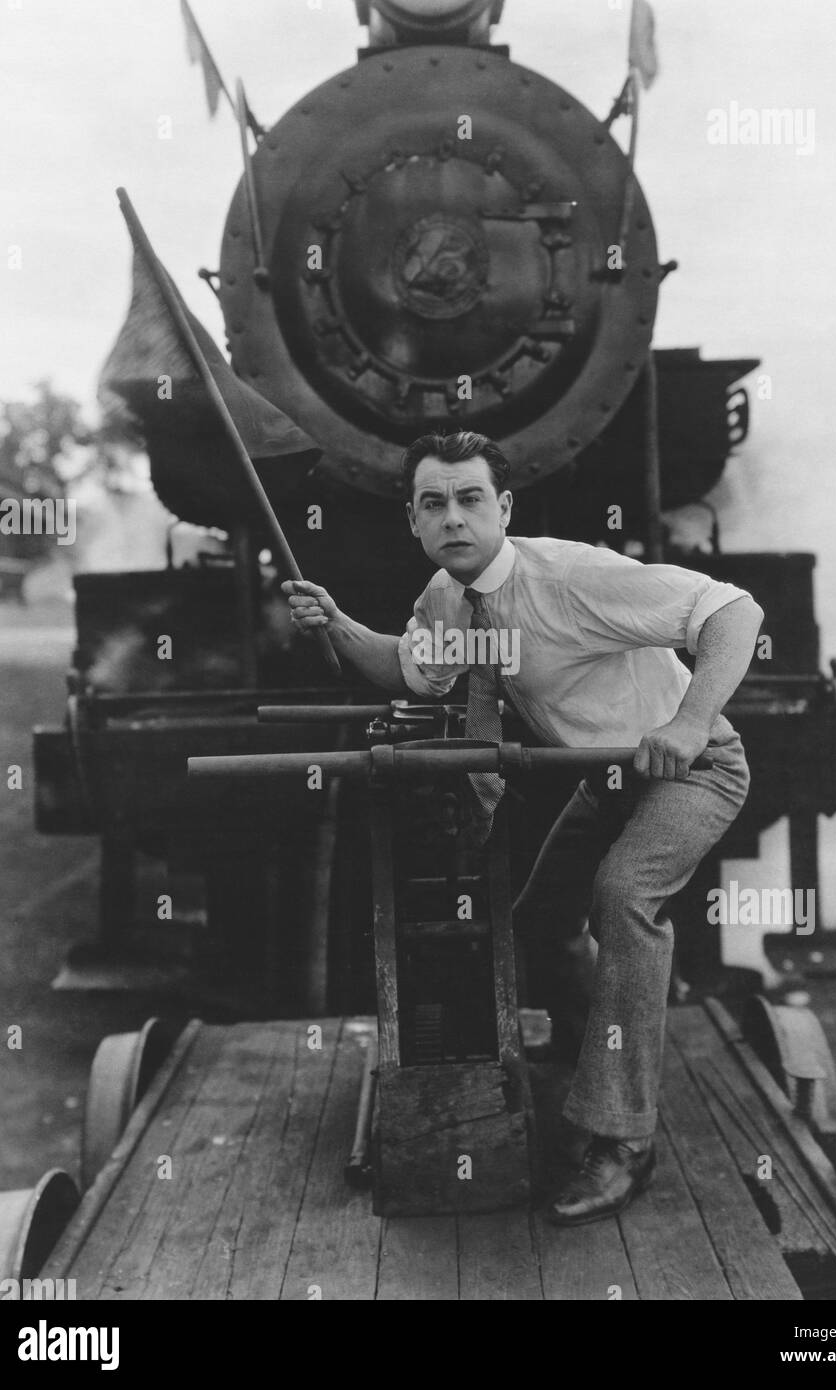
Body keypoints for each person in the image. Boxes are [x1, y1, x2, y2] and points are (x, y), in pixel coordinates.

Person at [283, 430, 763, 1226]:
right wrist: (334, 622)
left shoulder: (571, 575)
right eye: (433, 503)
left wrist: (688, 720)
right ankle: (594, 1054)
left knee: (622, 897)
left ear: (502, 507)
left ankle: (621, 1140)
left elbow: (732, 610)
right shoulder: (445, 599)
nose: (453, 518)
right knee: (537, 925)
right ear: (413, 520)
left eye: (470, 499)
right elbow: (407, 667)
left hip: (693, 769)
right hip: (607, 783)